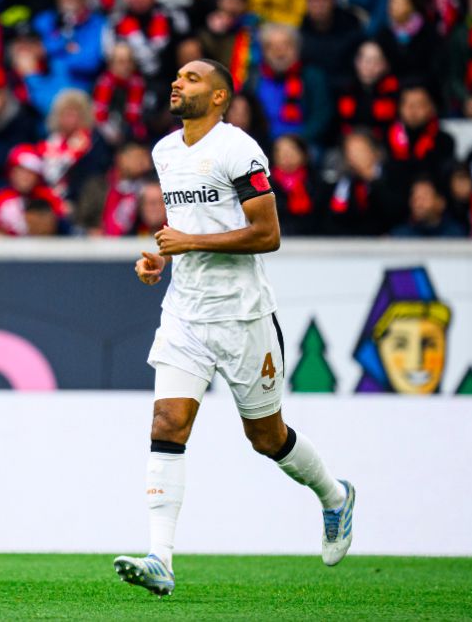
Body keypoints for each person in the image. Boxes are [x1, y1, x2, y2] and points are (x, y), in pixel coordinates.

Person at [113, 59, 355, 596]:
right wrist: (160, 258)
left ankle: (335, 496)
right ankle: (160, 558)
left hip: (243, 316)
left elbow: (267, 234)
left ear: (220, 96)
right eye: (177, 76)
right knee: (168, 421)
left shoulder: (238, 149)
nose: (177, 82)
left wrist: (188, 243)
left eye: (192, 78)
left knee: (266, 438)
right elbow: (187, 227)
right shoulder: (165, 152)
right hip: (185, 312)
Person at [390, 175, 467, 237]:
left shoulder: (456, 235)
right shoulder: (400, 236)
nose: (418, 204)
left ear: (441, 203)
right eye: (415, 198)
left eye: (424, 198)